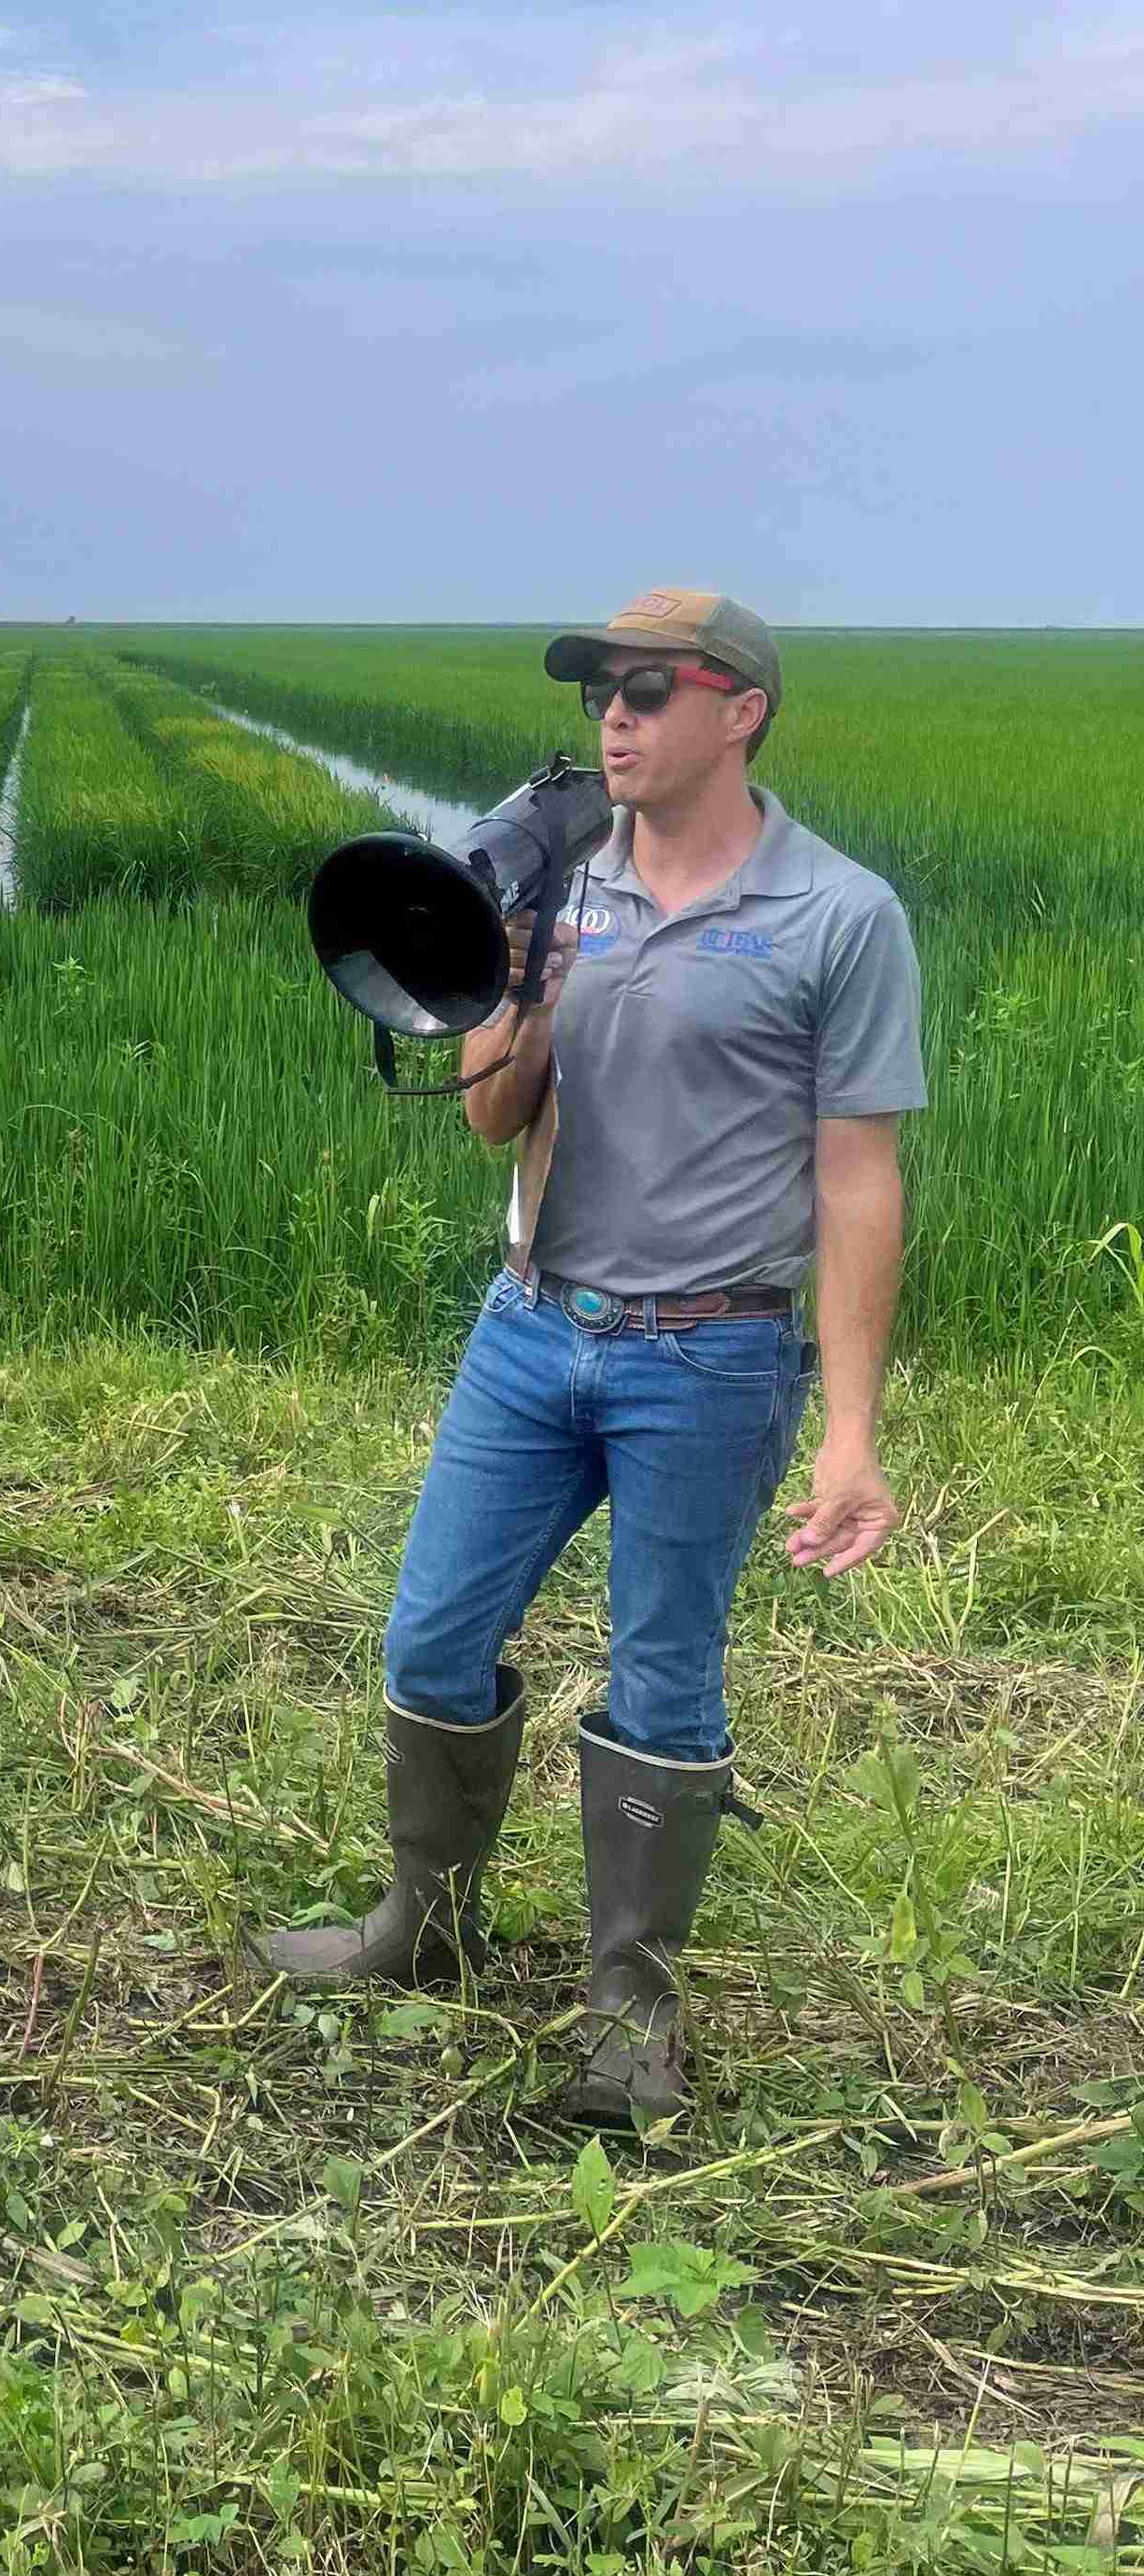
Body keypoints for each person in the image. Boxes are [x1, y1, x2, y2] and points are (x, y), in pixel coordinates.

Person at [255, 590, 928, 2130]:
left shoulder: (838, 915)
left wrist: (852, 1431)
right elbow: (495, 1116)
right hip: (532, 1326)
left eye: (646, 688)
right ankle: (424, 1920)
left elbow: (858, 1179)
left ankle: (630, 2008)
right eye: (596, 697)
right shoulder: (568, 892)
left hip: (712, 1356)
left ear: (740, 707)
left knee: (662, 1679)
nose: (612, 719)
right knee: (431, 1635)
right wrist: (516, 980)